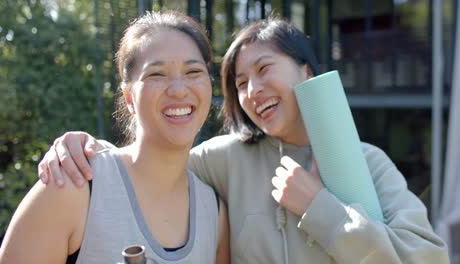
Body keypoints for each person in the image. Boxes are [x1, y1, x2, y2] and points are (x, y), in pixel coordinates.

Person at [36, 17, 448, 263]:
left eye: (264, 69)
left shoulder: (367, 162)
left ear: (305, 72)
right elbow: (151, 165)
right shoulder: (224, 159)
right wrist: (85, 148)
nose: (252, 91)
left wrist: (321, 209)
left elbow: (428, 257)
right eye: (240, 82)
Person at [0, 11, 230, 264]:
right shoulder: (74, 184)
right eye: (157, 74)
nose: (178, 90)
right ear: (129, 98)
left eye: (193, 72)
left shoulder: (213, 212)